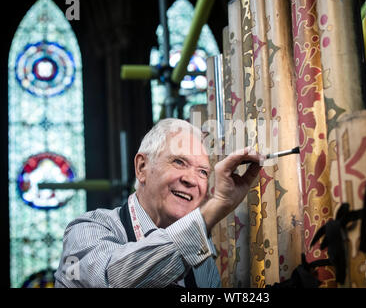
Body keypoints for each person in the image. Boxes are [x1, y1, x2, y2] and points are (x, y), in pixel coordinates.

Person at [54, 118, 264, 288]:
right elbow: (111, 280)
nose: (191, 180)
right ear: (142, 167)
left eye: (202, 172)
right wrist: (215, 207)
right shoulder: (85, 230)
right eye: (179, 162)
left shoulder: (203, 262)